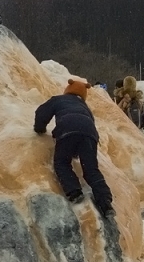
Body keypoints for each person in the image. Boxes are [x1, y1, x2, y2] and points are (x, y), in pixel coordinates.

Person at [34, 79, 115, 218]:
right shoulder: (85, 107)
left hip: (67, 130)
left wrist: (39, 128)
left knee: (62, 162)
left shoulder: (58, 100)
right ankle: (106, 203)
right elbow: (86, 125)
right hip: (90, 135)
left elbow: (42, 113)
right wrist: (77, 151)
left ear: (68, 90)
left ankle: (74, 191)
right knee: (91, 169)